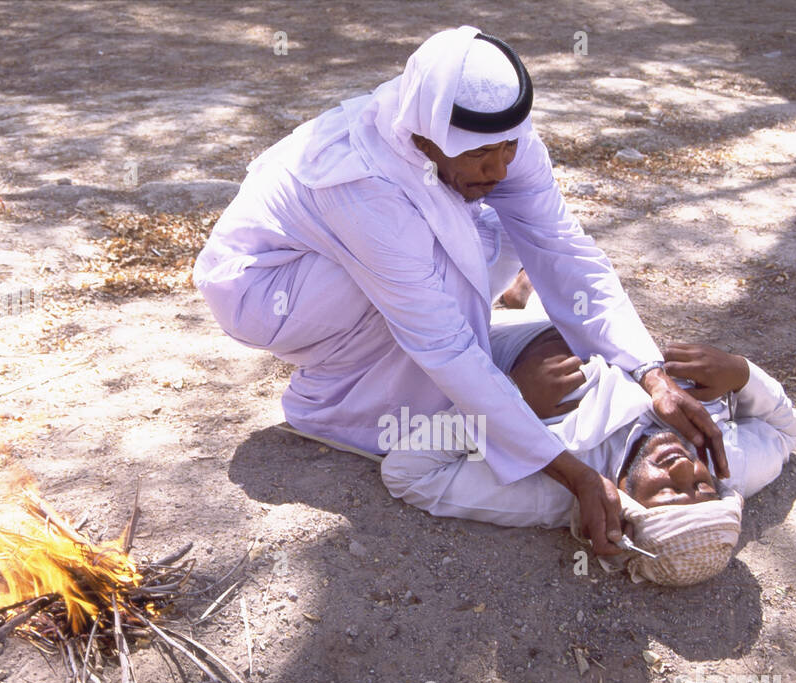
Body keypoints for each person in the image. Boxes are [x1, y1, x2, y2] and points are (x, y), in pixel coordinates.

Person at [193, 26, 726, 558]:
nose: (499, 168)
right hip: (266, 289)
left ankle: (449, 396)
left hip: (349, 266)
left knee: (502, 236)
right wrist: (571, 474)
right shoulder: (362, 184)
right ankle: (337, 409)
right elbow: (441, 341)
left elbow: (562, 248)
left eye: (508, 147)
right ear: (425, 138)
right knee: (442, 269)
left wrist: (650, 373)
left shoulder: (494, 132)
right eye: (480, 156)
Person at [380, 315, 796, 586]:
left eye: (670, 494)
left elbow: (409, 473)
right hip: (600, 315)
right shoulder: (724, 463)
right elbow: (784, 434)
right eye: (703, 489)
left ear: (627, 511)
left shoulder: (557, 491)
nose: (686, 472)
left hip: (488, 327)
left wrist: (508, 402)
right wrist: (742, 374)